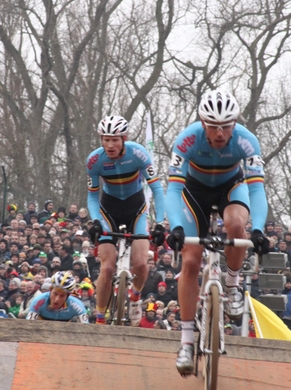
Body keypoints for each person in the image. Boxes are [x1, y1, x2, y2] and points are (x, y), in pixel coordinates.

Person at [164, 89, 270, 376]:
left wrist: (258, 230)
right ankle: (186, 340)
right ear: (202, 122)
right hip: (193, 193)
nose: (220, 132)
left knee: (236, 226)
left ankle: (232, 284)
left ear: (235, 123)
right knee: (190, 260)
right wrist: (175, 226)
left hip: (230, 188)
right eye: (213, 126)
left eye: (226, 125)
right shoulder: (187, 139)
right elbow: (173, 189)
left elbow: (257, 189)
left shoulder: (247, 141)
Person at [86, 116, 166, 326]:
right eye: (106, 140)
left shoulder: (138, 153)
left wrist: (159, 223)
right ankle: (101, 316)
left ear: (124, 138)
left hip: (136, 210)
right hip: (108, 211)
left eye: (115, 140)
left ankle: (136, 297)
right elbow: (93, 196)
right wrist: (95, 221)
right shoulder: (95, 160)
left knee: (140, 264)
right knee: (107, 268)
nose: (110, 145)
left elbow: (157, 189)